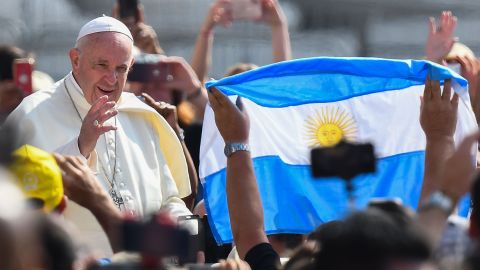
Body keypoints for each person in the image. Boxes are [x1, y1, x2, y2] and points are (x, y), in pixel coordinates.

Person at [6, 16, 193, 256]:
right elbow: (16, 208)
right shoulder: (32, 114)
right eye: (101, 65)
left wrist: (185, 232)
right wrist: (80, 147)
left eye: (121, 68)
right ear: (75, 60)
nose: (112, 80)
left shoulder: (142, 116)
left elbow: (169, 199)